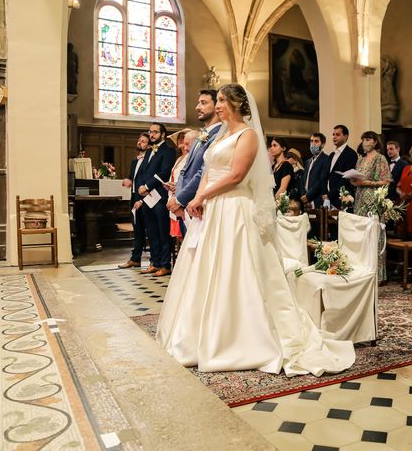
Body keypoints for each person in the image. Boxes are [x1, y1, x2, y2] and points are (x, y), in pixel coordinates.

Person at [156, 83, 355, 376]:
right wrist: (199, 198)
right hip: (215, 208)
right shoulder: (221, 134)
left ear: (236, 104)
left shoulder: (248, 135)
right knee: (210, 268)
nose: (218, 105)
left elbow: (236, 175)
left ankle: (242, 337)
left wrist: (202, 196)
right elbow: (209, 170)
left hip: (236, 208)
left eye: (222, 100)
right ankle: (201, 335)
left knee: (238, 268)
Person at [167, 90, 223, 230]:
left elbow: (203, 171)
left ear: (217, 106)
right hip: (187, 204)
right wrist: (179, 199)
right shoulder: (201, 135)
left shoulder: (219, 135)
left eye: (203, 103)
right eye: (198, 103)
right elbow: (184, 171)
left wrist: (180, 199)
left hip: (201, 204)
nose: (197, 107)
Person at [351, 131, 392, 281]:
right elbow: (356, 178)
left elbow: (386, 181)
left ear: (375, 142)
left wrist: (367, 183)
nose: (365, 142)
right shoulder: (360, 160)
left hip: (373, 200)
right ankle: (362, 271)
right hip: (360, 198)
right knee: (361, 234)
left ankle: (377, 274)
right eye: (363, 139)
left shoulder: (380, 158)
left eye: (368, 139)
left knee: (373, 235)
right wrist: (353, 181)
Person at [136, 123, 176, 277]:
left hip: (159, 196)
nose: (151, 135)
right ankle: (155, 262)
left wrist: (147, 186)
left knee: (162, 231)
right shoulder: (148, 152)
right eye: (150, 132)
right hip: (147, 198)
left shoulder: (168, 151)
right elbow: (143, 172)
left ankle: (165, 265)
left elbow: (165, 172)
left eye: (155, 132)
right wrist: (141, 188)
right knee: (151, 232)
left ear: (163, 134)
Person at [118, 132, 150, 268]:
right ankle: (135, 259)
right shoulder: (135, 161)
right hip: (134, 197)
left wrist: (143, 199)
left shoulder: (149, 161)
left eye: (143, 141)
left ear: (149, 145)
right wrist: (128, 181)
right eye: (139, 140)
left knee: (149, 230)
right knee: (137, 230)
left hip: (146, 198)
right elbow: (133, 178)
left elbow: (149, 180)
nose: (139, 143)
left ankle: (155, 261)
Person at [165, 129, 195, 239]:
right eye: (179, 138)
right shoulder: (178, 159)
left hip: (184, 198)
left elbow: (190, 177)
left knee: (187, 233)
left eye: (184, 137)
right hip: (174, 195)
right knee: (181, 234)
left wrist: (178, 186)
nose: (181, 140)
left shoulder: (191, 157)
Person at [322, 125, 358, 209]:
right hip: (327, 199)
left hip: (341, 199)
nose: (334, 137)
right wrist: (324, 193)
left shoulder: (351, 154)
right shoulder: (332, 154)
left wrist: (329, 195)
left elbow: (346, 178)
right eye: (333, 134)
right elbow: (325, 176)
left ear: (345, 136)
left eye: (337, 135)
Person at [300, 132, 329, 209]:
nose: (313, 144)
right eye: (311, 141)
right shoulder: (308, 161)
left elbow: (321, 180)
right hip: (305, 201)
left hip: (317, 199)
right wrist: (303, 196)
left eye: (316, 141)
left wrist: (308, 196)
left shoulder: (326, 159)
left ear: (322, 144)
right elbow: (303, 180)